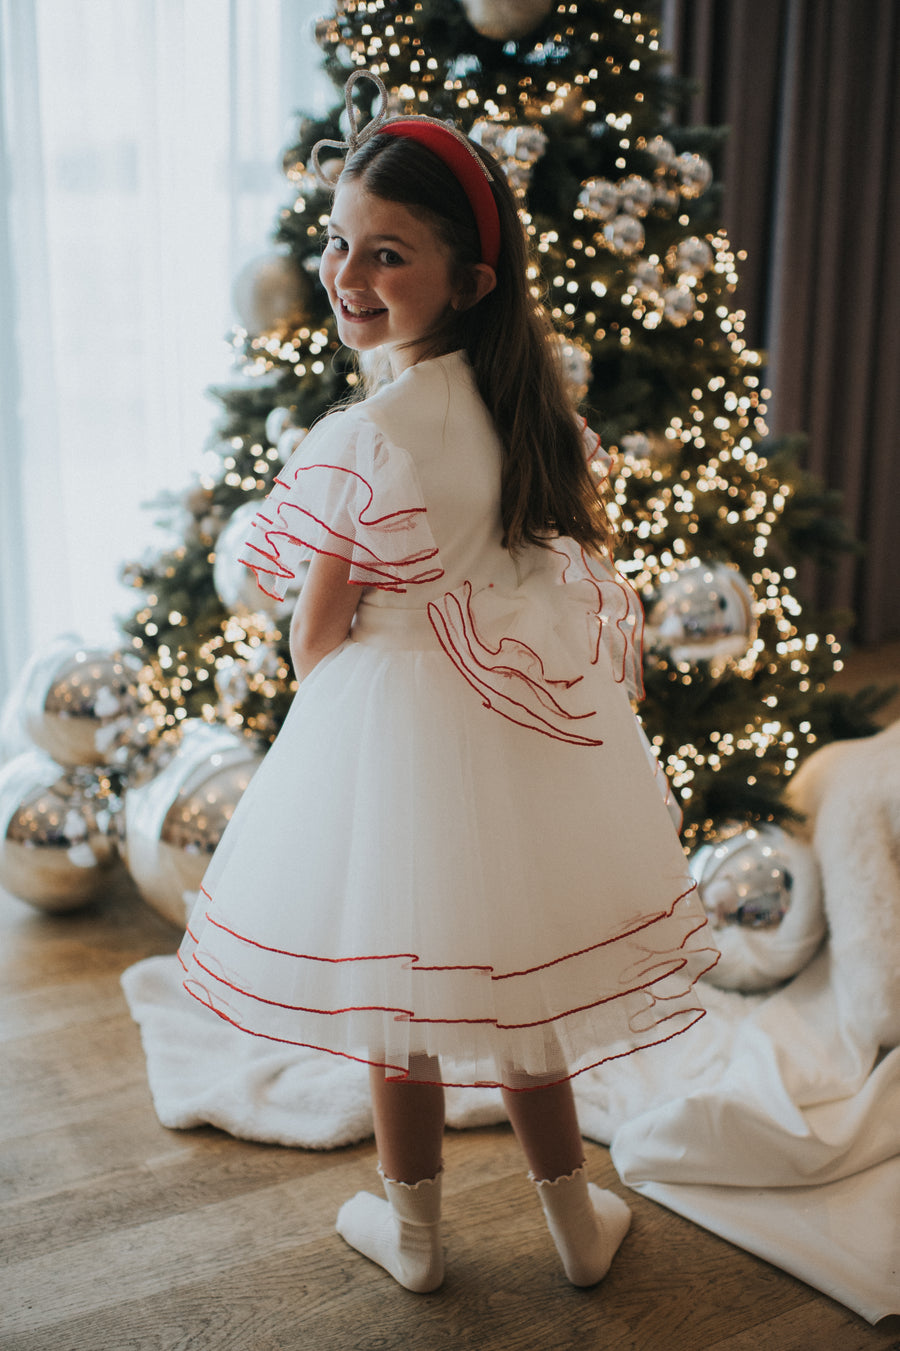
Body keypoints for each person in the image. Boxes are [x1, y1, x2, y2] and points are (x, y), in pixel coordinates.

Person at [179, 70, 718, 1294]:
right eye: (337, 244)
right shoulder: (524, 403)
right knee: (526, 991)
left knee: (396, 1005)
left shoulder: (366, 434)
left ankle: (413, 1235)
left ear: (467, 281)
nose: (347, 274)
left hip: (393, 723)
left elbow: (316, 636)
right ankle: (576, 1222)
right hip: (523, 735)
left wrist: (344, 686)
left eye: (389, 256)